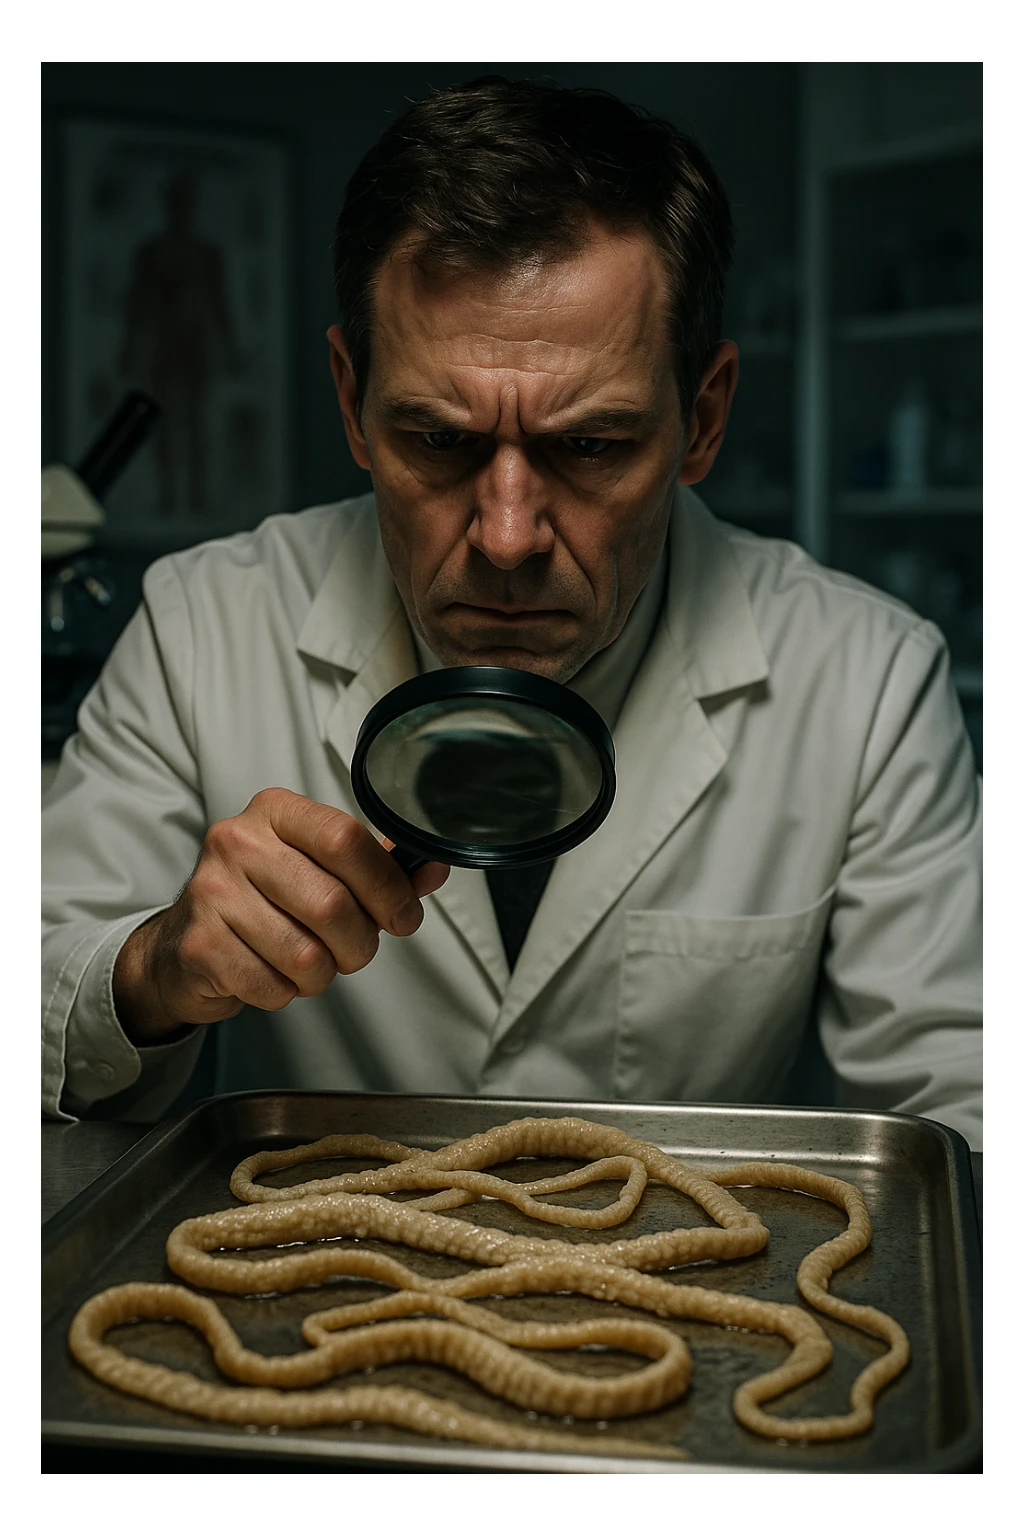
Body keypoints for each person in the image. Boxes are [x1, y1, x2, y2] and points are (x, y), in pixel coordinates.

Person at [42, 77, 981, 1149]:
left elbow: (969, 1101)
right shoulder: (202, 627)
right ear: (351, 400)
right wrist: (156, 968)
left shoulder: (867, 681)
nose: (505, 536)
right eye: (439, 441)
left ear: (703, 418)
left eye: (589, 446)